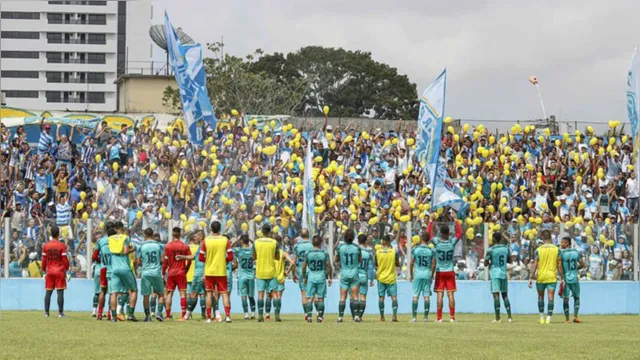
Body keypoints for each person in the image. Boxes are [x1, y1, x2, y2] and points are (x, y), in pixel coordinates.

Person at [195, 221, 233, 323]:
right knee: (224, 294)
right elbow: (230, 256)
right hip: (221, 271)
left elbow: (200, 257)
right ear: (220, 229)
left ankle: (208, 318)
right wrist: (223, 261)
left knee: (209, 294)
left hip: (209, 271)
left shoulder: (206, 241)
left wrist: (208, 260)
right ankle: (228, 316)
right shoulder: (225, 240)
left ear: (211, 229)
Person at [528, 229, 564, 324]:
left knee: (540, 297)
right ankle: (549, 318)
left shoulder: (538, 250)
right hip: (552, 276)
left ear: (542, 237)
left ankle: (541, 317)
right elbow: (559, 265)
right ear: (551, 237)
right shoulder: (557, 249)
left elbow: (535, 265)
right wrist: (562, 278)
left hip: (541, 276)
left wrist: (531, 277)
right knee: (550, 297)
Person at [108, 221, 138, 322]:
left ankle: (113, 316)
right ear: (122, 227)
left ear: (115, 229)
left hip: (114, 268)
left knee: (114, 293)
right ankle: (130, 314)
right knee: (133, 290)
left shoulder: (110, 238)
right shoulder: (125, 238)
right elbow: (125, 252)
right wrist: (132, 249)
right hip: (125, 267)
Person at [137, 227, 165, 322]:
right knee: (161, 294)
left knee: (146, 295)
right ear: (153, 235)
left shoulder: (141, 246)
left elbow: (137, 261)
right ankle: (159, 313)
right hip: (156, 272)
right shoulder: (159, 245)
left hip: (145, 272)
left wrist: (144, 262)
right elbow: (162, 260)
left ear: (144, 235)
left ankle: (148, 316)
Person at [302, 234, 332, 323]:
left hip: (311, 277)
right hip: (321, 277)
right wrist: (329, 277)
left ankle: (309, 317)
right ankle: (319, 317)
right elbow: (329, 266)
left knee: (310, 298)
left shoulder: (308, 253)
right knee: (320, 298)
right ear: (321, 243)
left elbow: (303, 267)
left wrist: (304, 277)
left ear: (312, 243)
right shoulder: (324, 253)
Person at [432, 224, 460, 322]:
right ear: (448, 233)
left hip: (440, 272)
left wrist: (431, 221)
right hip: (450, 271)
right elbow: (460, 233)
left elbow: (429, 234)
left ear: (440, 233)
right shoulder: (451, 243)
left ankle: (439, 318)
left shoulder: (437, 243)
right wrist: (456, 220)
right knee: (451, 294)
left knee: (440, 294)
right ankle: (452, 317)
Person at [163, 227, 191, 320]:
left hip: (171, 272)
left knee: (169, 293)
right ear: (180, 234)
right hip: (181, 271)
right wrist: (186, 270)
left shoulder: (168, 246)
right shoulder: (185, 246)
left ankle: (167, 315)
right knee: (183, 293)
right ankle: (183, 315)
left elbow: (165, 262)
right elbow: (189, 260)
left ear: (172, 234)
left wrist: (163, 273)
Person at [253, 224, 279, 322]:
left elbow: (253, 257)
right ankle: (276, 316)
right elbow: (277, 257)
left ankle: (260, 316)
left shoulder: (256, 242)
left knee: (260, 294)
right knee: (275, 294)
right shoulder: (274, 242)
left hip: (260, 272)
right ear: (269, 232)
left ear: (262, 231)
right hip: (271, 272)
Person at [484, 232, 513, 323]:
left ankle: (498, 318)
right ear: (501, 239)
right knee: (505, 295)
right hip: (504, 273)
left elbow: (485, 263)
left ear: (493, 239)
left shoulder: (491, 250)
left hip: (495, 274)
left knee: (496, 295)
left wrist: (490, 262)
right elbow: (510, 260)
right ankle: (509, 317)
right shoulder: (506, 248)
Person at [334, 228, 362, 322]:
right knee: (355, 296)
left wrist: (340, 261)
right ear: (353, 237)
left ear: (344, 237)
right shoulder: (357, 248)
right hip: (354, 273)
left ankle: (340, 317)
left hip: (344, 273)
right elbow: (359, 260)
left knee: (342, 296)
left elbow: (336, 260)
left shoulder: (340, 248)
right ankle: (357, 316)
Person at [42, 225, 69, 318]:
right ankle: (60, 313)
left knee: (48, 292)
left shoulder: (46, 246)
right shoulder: (62, 245)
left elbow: (44, 260)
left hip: (49, 271)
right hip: (59, 271)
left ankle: (46, 313)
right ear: (58, 234)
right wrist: (67, 270)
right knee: (60, 292)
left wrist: (43, 272)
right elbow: (65, 260)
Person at [409, 232, 435, 323]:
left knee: (415, 295)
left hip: (417, 274)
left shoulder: (415, 249)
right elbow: (433, 264)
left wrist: (411, 274)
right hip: (427, 274)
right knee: (426, 296)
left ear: (421, 238)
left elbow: (412, 262)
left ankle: (414, 317)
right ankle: (425, 317)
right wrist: (432, 275)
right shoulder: (431, 251)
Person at [374, 234, 399, 322]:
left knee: (381, 297)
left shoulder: (378, 252)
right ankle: (394, 316)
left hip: (381, 277)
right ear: (389, 241)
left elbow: (376, 264)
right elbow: (398, 264)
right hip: (391, 277)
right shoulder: (393, 251)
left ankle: (382, 316)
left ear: (382, 241)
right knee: (394, 297)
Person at [181, 230, 206, 321]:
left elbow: (206, 260)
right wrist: (182, 257)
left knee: (193, 294)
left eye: (196, 237)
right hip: (201, 273)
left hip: (200, 274)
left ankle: (187, 316)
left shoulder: (204, 246)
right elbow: (192, 257)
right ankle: (214, 315)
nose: (194, 238)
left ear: (200, 237)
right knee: (206, 294)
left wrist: (204, 273)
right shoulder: (201, 246)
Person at [559, 236, 584, 324]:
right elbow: (582, 264)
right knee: (576, 297)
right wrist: (575, 270)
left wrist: (562, 277)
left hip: (566, 278)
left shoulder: (561, 253)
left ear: (568, 243)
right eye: (561, 242)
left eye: (563, 242)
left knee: (566, 298)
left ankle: (567, 319)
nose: (562, 244)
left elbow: (559, 266)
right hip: (574, 278)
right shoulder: (576, 252)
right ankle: (575, 316)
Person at [93, 222, 114, 321]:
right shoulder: (116, 241)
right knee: (112, 292)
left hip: (103, 268)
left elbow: (94, 256)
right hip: (113, 269)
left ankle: (99, 313)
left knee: (102, 291)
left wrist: (101, 261)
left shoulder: (101, 241)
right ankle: (110, 314)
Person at [292, 229, 314, 320]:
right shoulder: (312, 246)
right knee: (314, 292)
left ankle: (306, 314)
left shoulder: (297, 246)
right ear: (308, 235)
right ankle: (318, 314)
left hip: (301, 270)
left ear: (300, 235)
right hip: (312, 270)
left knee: (303, 293)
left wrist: (294, 274)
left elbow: (294, 261)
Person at [234, 234, 256, 320]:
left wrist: (236, 239)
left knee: (243, 296)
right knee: (251, 296)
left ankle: (246, 314)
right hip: (251, 276)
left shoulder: (238, 250)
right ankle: (253, 314)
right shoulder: (251, 250)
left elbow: (228, 247)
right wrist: (250, 239)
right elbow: (256, 244)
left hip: (242, 276)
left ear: (241, 241)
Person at [273, 235, 294, 322]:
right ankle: (277, 315)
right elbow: (292, 263)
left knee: (274, 297)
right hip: (281, 277)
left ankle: (272, 314)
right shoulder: (284, 253)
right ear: (281, 242)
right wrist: (287, 272)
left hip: (272, 277)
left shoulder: (271, 253)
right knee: (279, 297)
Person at [357, 233, 374, 320]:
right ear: (365, 241)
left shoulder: (355, 251)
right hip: (364, 276)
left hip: (355, 276)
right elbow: (370, 268)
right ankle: (359, 316)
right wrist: (371, 279)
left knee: (354, 296)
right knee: (363, 297)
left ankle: (355, 315)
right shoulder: (368, 253)